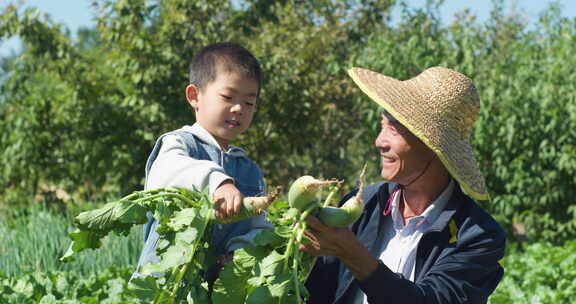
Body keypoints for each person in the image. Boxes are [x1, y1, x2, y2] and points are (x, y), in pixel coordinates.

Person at [302, 66, 506, 303]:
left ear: (433, 146)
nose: (380, 141)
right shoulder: (359, 207)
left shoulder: (478, 236)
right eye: (382, 125)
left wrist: (352, 253)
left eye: (395, 129)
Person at [132, 42, 270, 278]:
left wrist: (243, 253)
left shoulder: (251, 172)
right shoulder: (180, 144)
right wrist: (218, 183)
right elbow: (166, 173)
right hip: (165, 287)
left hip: (217, 291)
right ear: (194, 96)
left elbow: (254, 227)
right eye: (228, 96)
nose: (238, 108)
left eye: (249, 102)